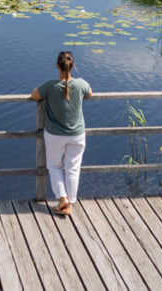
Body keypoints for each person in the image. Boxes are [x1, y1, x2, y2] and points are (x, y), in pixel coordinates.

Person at [31, 51, 92, 216]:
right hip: (77, 135)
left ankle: (62, 198)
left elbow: (34, 95)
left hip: (55, 135)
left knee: (54, 166)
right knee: (73, 168)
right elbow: (90, 93)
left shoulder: (50, 86)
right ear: (73, 66)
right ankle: (69, 202)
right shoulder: (80, 84)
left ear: (57, 66)